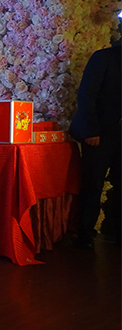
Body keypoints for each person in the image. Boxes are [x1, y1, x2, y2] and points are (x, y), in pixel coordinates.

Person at [69, 36, 121, 248]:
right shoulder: (104, 57)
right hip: (100, 134)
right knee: (93, 184)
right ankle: (85, 235)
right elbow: (86, 96)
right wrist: (91, 130)